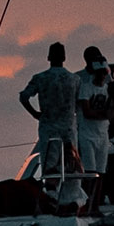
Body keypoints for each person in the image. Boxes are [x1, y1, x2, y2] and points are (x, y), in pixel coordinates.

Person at [19, 42, 82, 198]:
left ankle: (52, 196)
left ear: (48, 57)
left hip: (49, 127)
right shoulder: (74, 79)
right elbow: (78, 103)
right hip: (69, 128)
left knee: (50, 165)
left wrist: (35, 113)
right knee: (71, 164)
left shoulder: (40, 78)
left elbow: (24, 96)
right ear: (64, 57)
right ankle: (71, 197)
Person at [70, 45, 114, 196]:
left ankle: (97, 200)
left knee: (101, 170)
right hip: (86, 131)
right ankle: (88, 200)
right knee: (90, 170)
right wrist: (105, 113)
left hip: (103, 131)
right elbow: (86, 110)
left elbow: (112, 100)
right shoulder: (80, 79)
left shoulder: (107, 81)